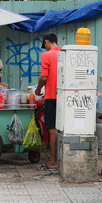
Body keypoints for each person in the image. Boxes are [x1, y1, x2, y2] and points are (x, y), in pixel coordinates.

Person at [34, 33, 60, 170]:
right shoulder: (64, 54)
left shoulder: (47, 55)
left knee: (52, 129)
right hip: (63, 96)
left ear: (46, 42)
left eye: (44, 45)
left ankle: (53, 162)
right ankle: (59, 160)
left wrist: (38, 90)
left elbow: (44, 77)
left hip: (51, 96)